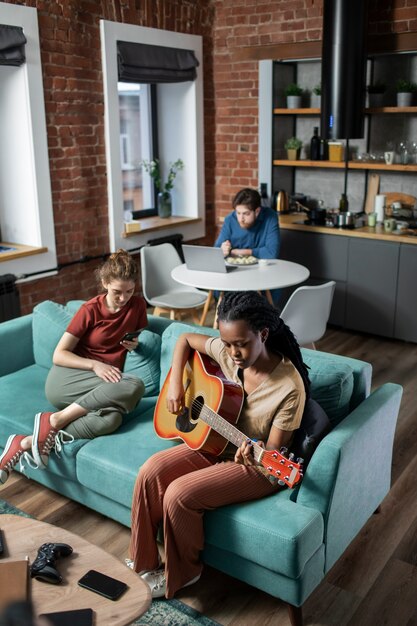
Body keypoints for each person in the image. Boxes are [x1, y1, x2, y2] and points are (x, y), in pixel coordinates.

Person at [128, 291, 310, 599]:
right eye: (227, 343)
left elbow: (274, 454)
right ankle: (143, 563)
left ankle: (184, 574)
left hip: (257, 465)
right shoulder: (226, 352)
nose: (233, 352)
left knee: (179, 494)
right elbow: (185, 339)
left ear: (262, 334)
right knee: (150, 471)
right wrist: (175, 385)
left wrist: (252, 455)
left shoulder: (289, 388)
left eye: (241, 344)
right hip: (215, 443)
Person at [0, 249, 147, 485]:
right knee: (135, 385)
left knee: (111, 420)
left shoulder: (137, 306)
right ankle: (53, 421)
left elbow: (135, 336)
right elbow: (59, 354)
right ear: (104, 283)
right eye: (117, 292)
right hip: (69, 379)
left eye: (129, 292)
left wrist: (134, 344)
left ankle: (27, 441)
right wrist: (95, 365)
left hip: (104, 385)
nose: (123, 298)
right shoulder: (90, 310)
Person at [214, 188, 280, 260]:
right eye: (238, 213)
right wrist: (222, 250)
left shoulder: (270, 217)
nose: (241, 219)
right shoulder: (230, 219)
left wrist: (240, 252)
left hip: (263, 267)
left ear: (257, 211)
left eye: (246, 214)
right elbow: (216, 251)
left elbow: (272, 253)